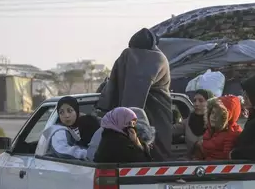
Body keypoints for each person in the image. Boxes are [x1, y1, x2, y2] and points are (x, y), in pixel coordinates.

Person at [97, 28, 172, 160]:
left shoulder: (151, 58)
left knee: (154, 149)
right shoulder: (155, 58)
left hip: (156, 111)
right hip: (155, 113)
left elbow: (134, 84)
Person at [197, 95, 243, 161]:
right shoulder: (211, 130)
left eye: (218, 115)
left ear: (227, 117)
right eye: (212, 113)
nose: (213, 117)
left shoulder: (232, 134)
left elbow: (227, 161)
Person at [42, 96, 88, 160]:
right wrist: (88, 154)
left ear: (76, 111)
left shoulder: (85, 125)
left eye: (70, 111)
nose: (66, 116)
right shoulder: (59, 131)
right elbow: (63, 150)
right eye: (61, 112)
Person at [173, 89, 214, 159]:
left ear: (209, 103)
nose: (196, 104)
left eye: (201, 101)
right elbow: (170, 130)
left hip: (214, 164)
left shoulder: (216, 123)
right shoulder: (188, 121)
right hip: (191, 164)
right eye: (194, 101)